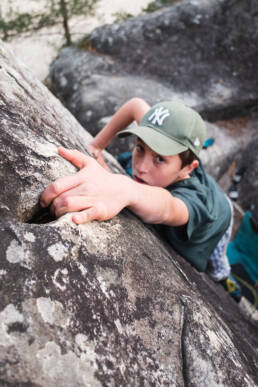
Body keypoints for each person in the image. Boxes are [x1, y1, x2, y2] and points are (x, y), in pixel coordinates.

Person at [40, 98, 241, 300]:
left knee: (217, 266)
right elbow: (135, 105)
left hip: (219, 215)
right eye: (140, 148)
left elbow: (167, 207)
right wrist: (97, 145)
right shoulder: (160, 136)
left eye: (160, 158)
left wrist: (125, 188)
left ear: (188, 168)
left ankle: (225, 279)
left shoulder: (191, 202)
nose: (142, 167)